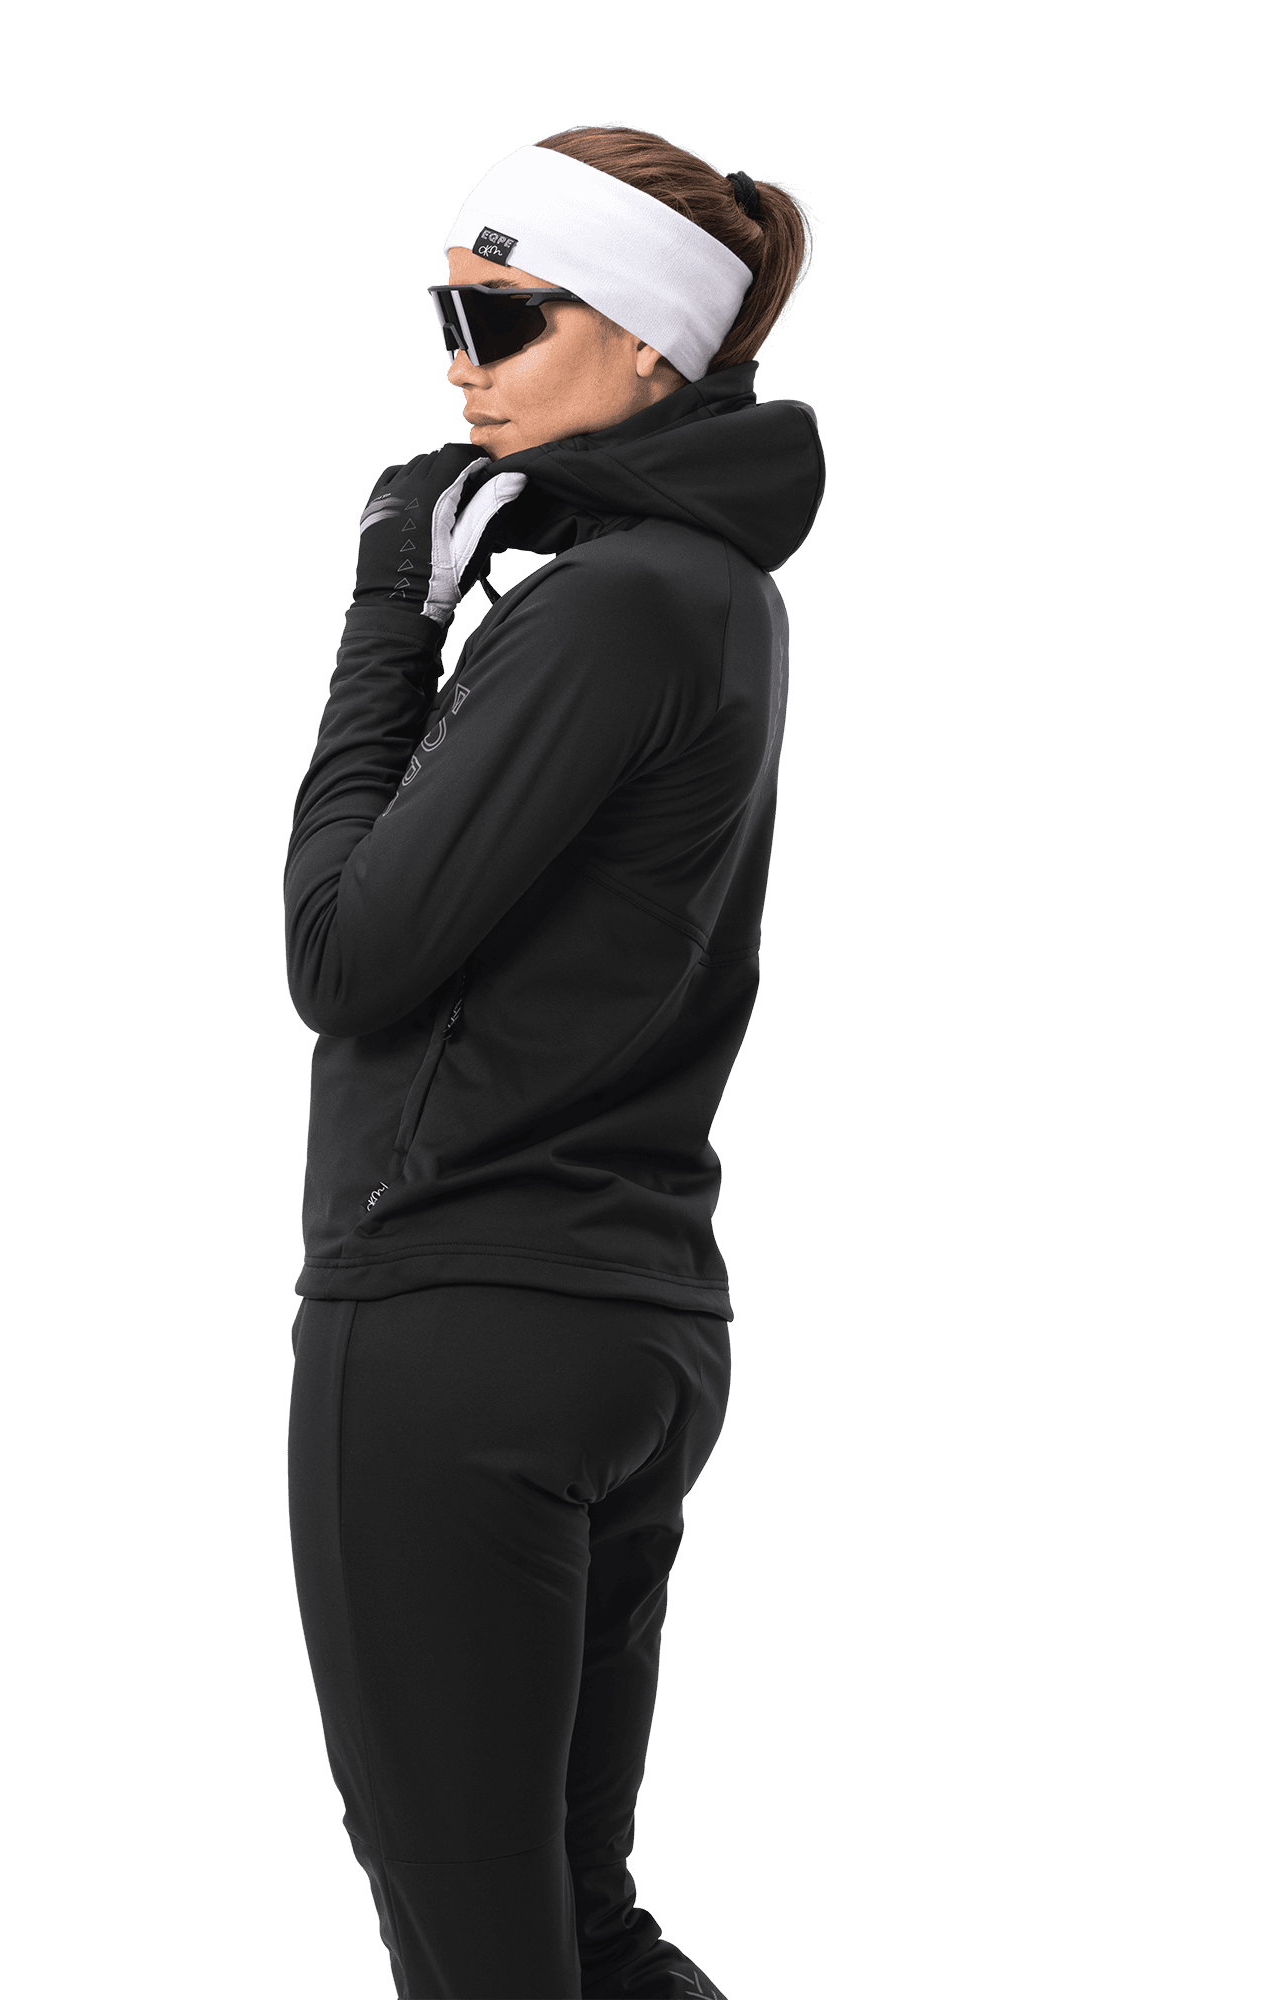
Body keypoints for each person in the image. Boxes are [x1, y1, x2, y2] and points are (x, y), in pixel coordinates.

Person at [283, 125, 821, 2000]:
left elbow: (342, 955)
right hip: (627, 1327)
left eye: (501, 317)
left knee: (485, 1954)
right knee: (580, 1935)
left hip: (460, 1324)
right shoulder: (713, 597)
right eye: (446, 316)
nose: (459, 361)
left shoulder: (607, 609)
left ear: (649, 339)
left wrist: (391, 616)